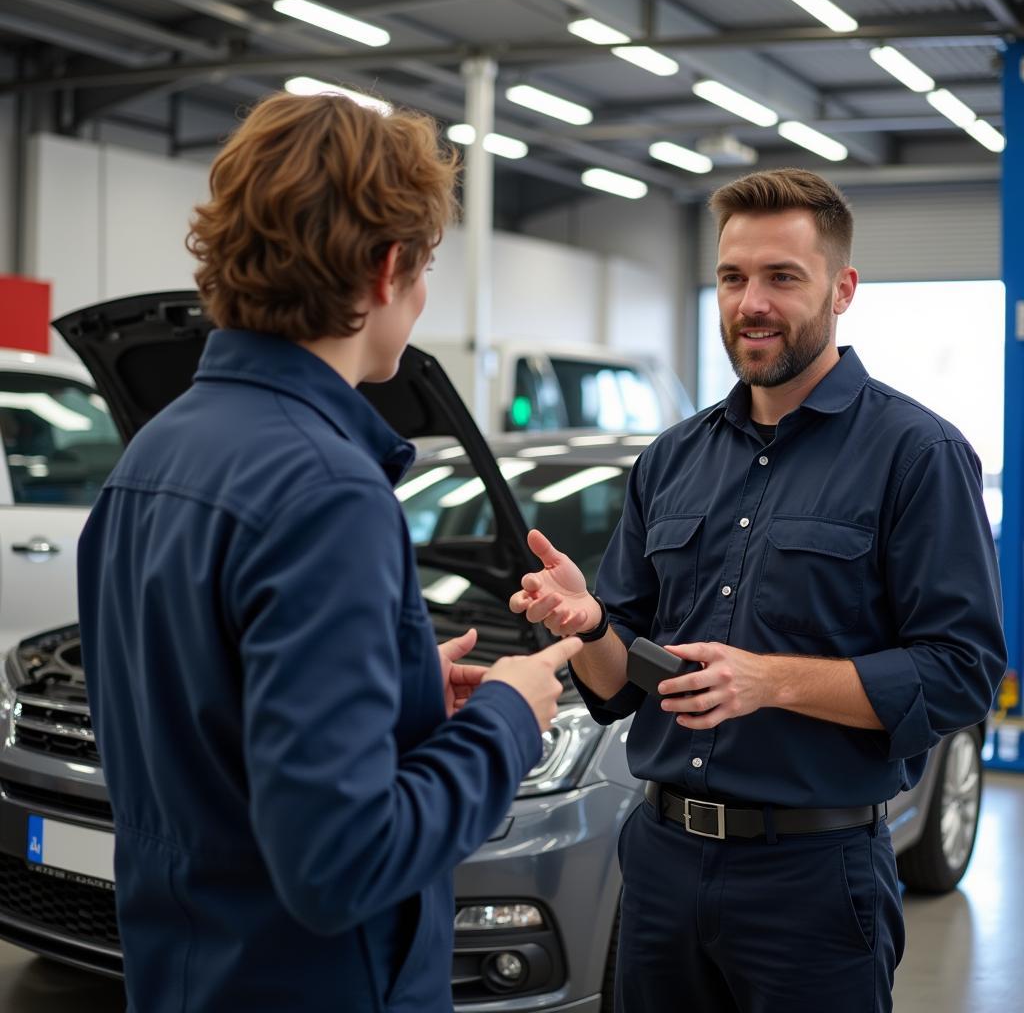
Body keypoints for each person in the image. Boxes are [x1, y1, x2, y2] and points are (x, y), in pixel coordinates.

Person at [77, 90, 581, 1013]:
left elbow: (188, 730)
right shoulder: (329, 490)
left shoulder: (153, 456)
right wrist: (507, 717)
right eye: (426, 268)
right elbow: (342, 864)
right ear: (389, 268)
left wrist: (393, 691)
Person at [509, 167, 1005, 1013]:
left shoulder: (916, 455)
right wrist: (590, 624)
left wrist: (770, 681)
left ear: (842, 289)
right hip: (660, 866)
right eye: (733, 277)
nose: (752, 303)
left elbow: (962, 675)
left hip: (813, 878)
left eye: (783, 277)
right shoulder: (671, 458)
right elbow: (618, 686)